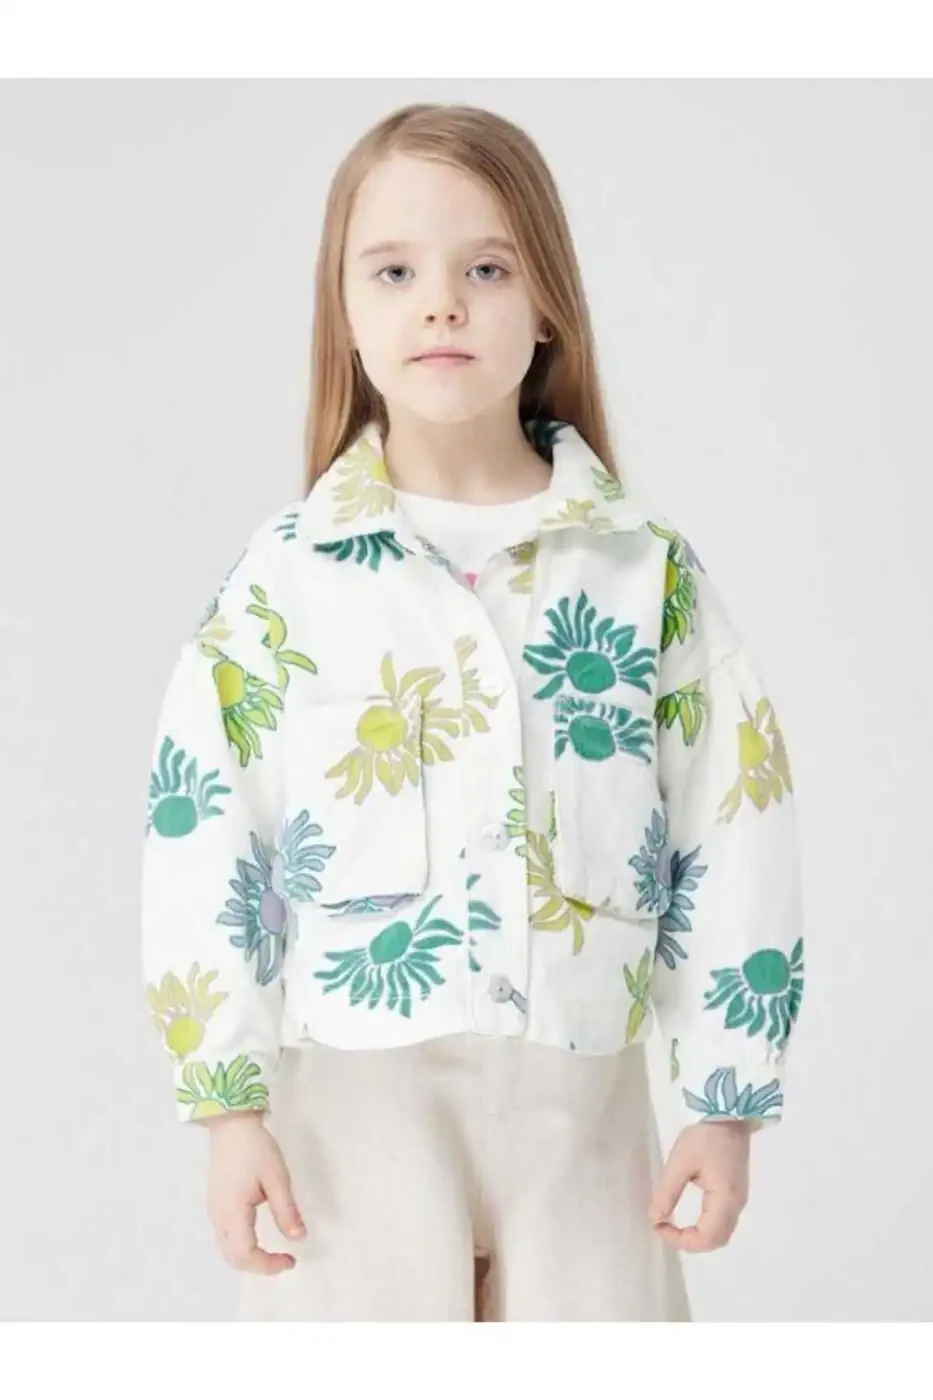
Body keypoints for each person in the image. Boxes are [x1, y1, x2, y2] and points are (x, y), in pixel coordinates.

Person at [140, 102, 805, 1322]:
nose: (441, 304)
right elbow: (205, 836)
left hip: (583, 1112)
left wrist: (726, 1101)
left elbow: (735, 821)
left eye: (486, 269)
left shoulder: (642, 572)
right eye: (394, 271)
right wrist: (228, 1107)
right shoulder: (283, 583)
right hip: (352, 1115)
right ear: (345, 309)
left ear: (546, 301)